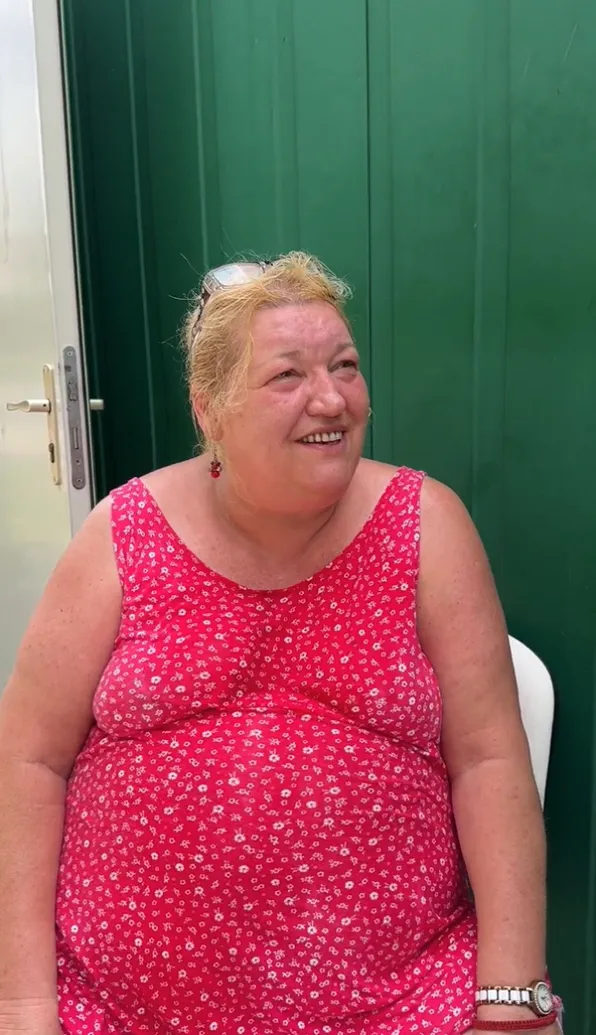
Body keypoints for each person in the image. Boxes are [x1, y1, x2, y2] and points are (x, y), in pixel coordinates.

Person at [0, 252, 561, 1035]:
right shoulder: (120, 535)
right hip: (117, 1008)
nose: (331, 398)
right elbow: (28, 761)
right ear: (209, 409)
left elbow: (491, 761)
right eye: (287, 375)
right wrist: (24, 1007)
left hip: (398, 1004)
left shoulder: (427, 526)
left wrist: (511, 999)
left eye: (345, 366)